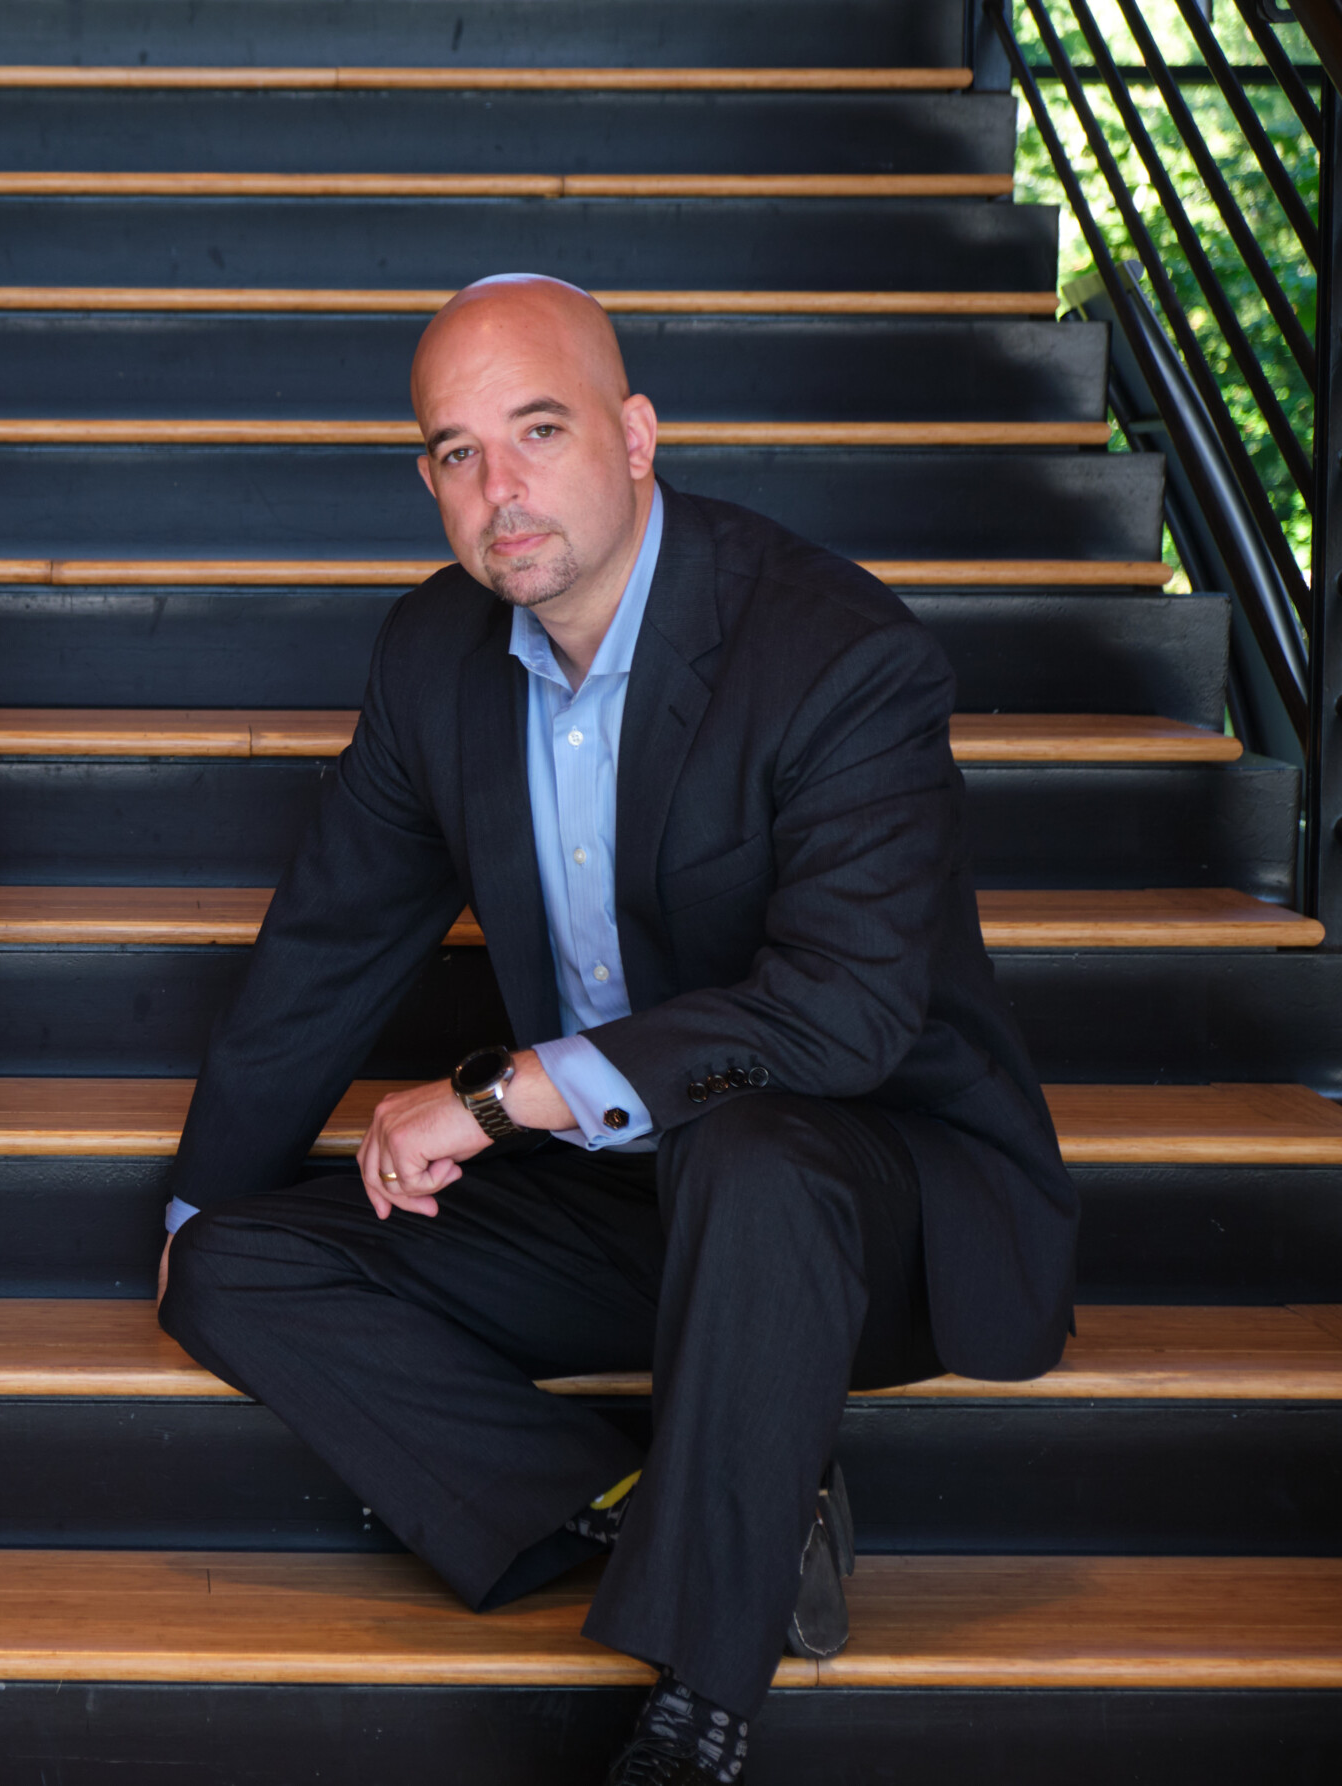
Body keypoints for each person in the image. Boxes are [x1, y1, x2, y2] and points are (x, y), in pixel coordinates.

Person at [155, 275, 1075, 1783]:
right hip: (630, 1201)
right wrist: (199, 1210)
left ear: (637, 436)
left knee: (760, 1156)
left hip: (872, 1204)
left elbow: (838, 1013)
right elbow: (328, 946)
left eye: (536, 430)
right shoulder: (434, 660)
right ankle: (686, 1498)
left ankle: (697, 1709)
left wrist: (510, 1090)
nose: (498, 490)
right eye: (456, 452)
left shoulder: (837, 654)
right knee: (237, 1261)